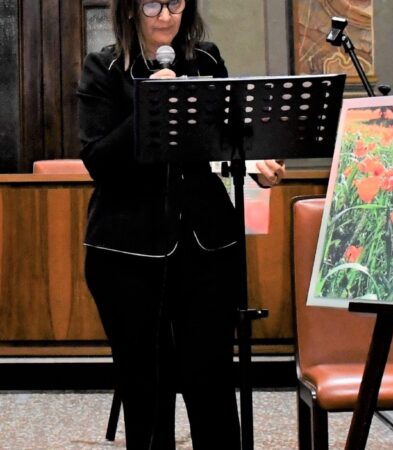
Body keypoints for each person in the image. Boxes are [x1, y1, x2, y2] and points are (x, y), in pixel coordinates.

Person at [77, 0, 285, 448]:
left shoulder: (205, 60)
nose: (166, 15)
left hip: (207, 244)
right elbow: (98, 161)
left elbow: (232, 138)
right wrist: (152, 105)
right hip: (125, 250)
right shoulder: (104, 68)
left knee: (209, 377)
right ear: (131, 10)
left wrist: (256, 163)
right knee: (145, 384)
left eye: (175, 2)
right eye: (152, 4)